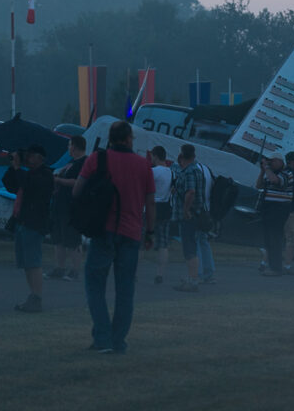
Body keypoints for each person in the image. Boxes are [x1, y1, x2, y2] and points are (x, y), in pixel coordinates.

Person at [74, 120, 155, 353]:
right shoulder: (143, 165)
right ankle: (118, 340)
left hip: (103, 230)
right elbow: (150, 202)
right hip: (131, 233)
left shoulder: (97, 159)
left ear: (110, 138)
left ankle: (102, 337)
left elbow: (77, 191)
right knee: (125, 289)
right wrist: (150, 231)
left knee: (95, 284)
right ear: (129, 138)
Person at [2, 144, 55, 312]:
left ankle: (37, 297)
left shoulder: (46, 175)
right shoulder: (29, 174)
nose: (28, 158)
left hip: (34, 223)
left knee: (33, 262)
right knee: (26, 263)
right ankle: (32, 296)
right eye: (28, 155)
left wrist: (18, 167)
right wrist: (13, 166)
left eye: (32, 155)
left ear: (41, 158)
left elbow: (30, 186)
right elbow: (10, 184)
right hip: (23, 222)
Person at [47, 136, 87, 282]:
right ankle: (59, 268)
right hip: (59, 205)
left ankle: (75, 270)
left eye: (69, 145)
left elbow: (78, 182)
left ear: (75, 147)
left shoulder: (84, 163)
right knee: (58, 239)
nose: (68, 148)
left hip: (72, 207)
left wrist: (58, 180)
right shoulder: (71, 162)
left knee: (73, 240)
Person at [171, 144, 206, 292]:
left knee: (189, 247)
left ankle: (193, 279)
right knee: (191, 244)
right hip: (196, 213)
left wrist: (186, 210)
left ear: (181, 155)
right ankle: (192, 277)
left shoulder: (190, 171)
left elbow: (190, 192)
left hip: (189, 214)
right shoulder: (196, 170)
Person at [255, 153, 294, 276]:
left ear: (281, 162)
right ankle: (272, 266)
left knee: (275, 238)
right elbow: (259, 185)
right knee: (268, 238)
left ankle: (276, 268)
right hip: (268, 208)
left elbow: (275, 181)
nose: (271, 163)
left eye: (273, 161)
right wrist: (262, 171)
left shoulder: (287, 174)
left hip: (280, 209)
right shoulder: (269, 173)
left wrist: (266, 168)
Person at [149, 146, 172, 285]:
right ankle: (160, 274)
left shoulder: (152, 171)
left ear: (156, 156)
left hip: (150, 207)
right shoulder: (172, 173)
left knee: (140, 242)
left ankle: (134, 273)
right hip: (164, 209)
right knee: (163, 243)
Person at [196, 157, 217, 284]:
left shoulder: (194, 170)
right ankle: (208, 272)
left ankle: (196, 273)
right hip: (207, 210)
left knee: (195, 241)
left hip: (197, 210)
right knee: (203, 241)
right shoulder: (207, 169)